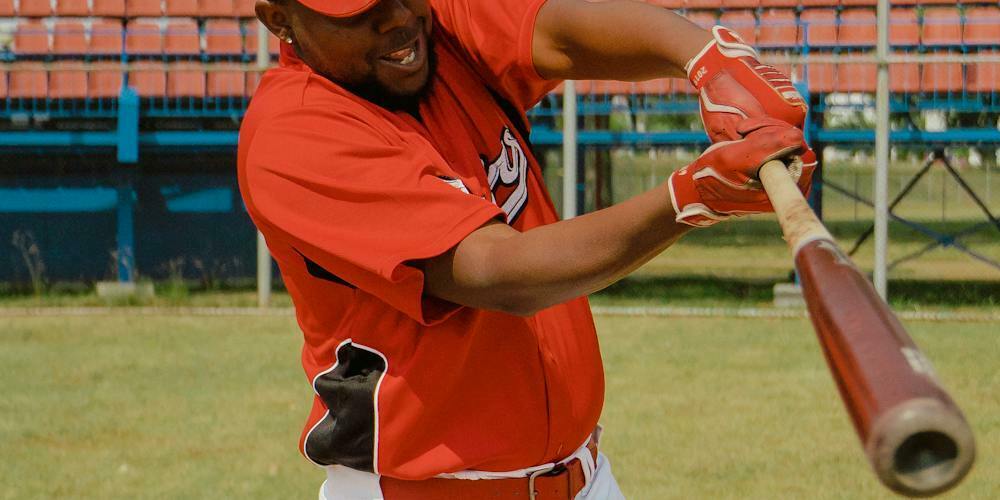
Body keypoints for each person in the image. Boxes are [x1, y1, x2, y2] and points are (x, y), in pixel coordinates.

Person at [237, 0, 815, 498]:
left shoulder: (439, 30)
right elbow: (499, 272)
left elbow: (558, 33)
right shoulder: (294, 132)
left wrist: (708, 57)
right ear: (280, 20)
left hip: (584, 476)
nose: (397, 17)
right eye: (360, 10)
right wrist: (689, 197)